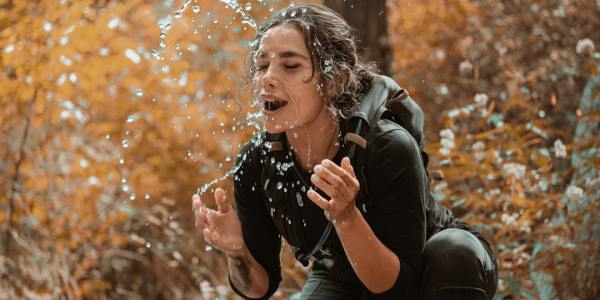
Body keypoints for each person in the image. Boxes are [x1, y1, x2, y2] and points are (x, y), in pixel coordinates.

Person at [192, 4, 497, 299]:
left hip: (436, 272)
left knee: (454, 252)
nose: (267, 79)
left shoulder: (387, 146)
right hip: (342, 275)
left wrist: (348, 217)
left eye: (290, 65)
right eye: (261, 65)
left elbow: (399, 290)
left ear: (334, 80)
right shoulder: (257, 161)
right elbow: (261, 287)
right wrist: (237, 252)